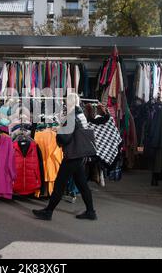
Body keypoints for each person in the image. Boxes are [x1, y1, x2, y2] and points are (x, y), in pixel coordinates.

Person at [32, 93, 109, 221]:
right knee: (82, 184)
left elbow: (64, 138)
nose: (65, 105)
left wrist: (58, 132)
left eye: (66, 102)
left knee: (59, 184)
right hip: (80, 155)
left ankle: (48, 212)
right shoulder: (81, 114)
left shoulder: (72, 116)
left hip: (73, 155)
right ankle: (91, 212)